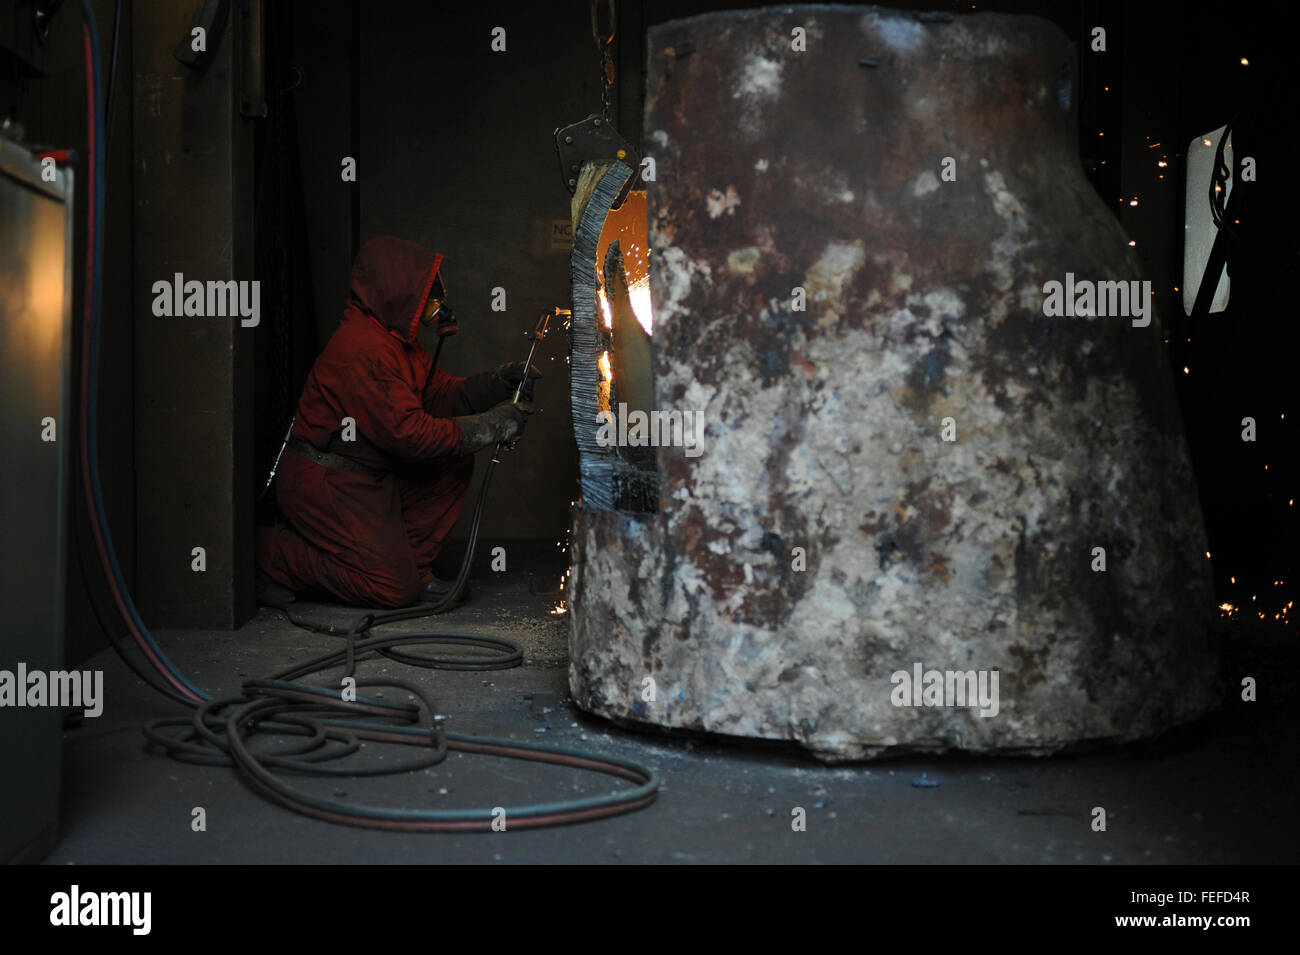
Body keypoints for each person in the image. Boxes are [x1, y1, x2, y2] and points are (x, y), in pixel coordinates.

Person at [256, 235, 539, 609]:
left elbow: (438, 397)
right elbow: (410, 436)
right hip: (326, 482)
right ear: (396, 290)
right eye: (427, 293)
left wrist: (497, 382)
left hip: (367, 477)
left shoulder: (397, 343)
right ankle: (271, 554)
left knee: (452, 462)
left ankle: (413, 568)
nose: (434, 303)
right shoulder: (362, 349)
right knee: (391, 590)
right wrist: (492, 426)